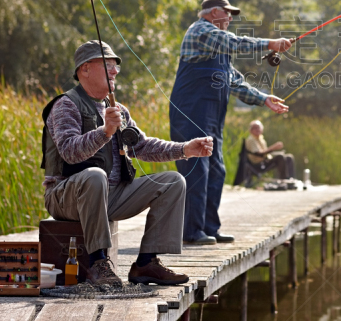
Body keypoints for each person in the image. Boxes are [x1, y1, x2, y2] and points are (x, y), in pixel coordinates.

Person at [42, 40, 214, 286]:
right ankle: (99, 263)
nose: (115, 72)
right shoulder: (65, 105)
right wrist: (105, 132)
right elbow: (70, 152)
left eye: (116, 67)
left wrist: (185, 149)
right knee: (94, 175)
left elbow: (143, 146)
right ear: (85, 69)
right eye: (108, 65)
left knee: (173, 181)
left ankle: (146, 263)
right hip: (65, 197)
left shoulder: (118, 109)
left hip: (111, 197)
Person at [170, 0, 292, 245]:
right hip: (191, 113)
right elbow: (234, 43)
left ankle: (209, 229)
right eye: (228, 14)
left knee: (216, 170)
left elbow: (234, 80)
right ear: (214, 12)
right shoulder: (202, 31)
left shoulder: (218, 47)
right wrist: (271, 44)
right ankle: (192, 232)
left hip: (212, 118)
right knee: (198, 170)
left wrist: (263, 99)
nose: (230, 19)